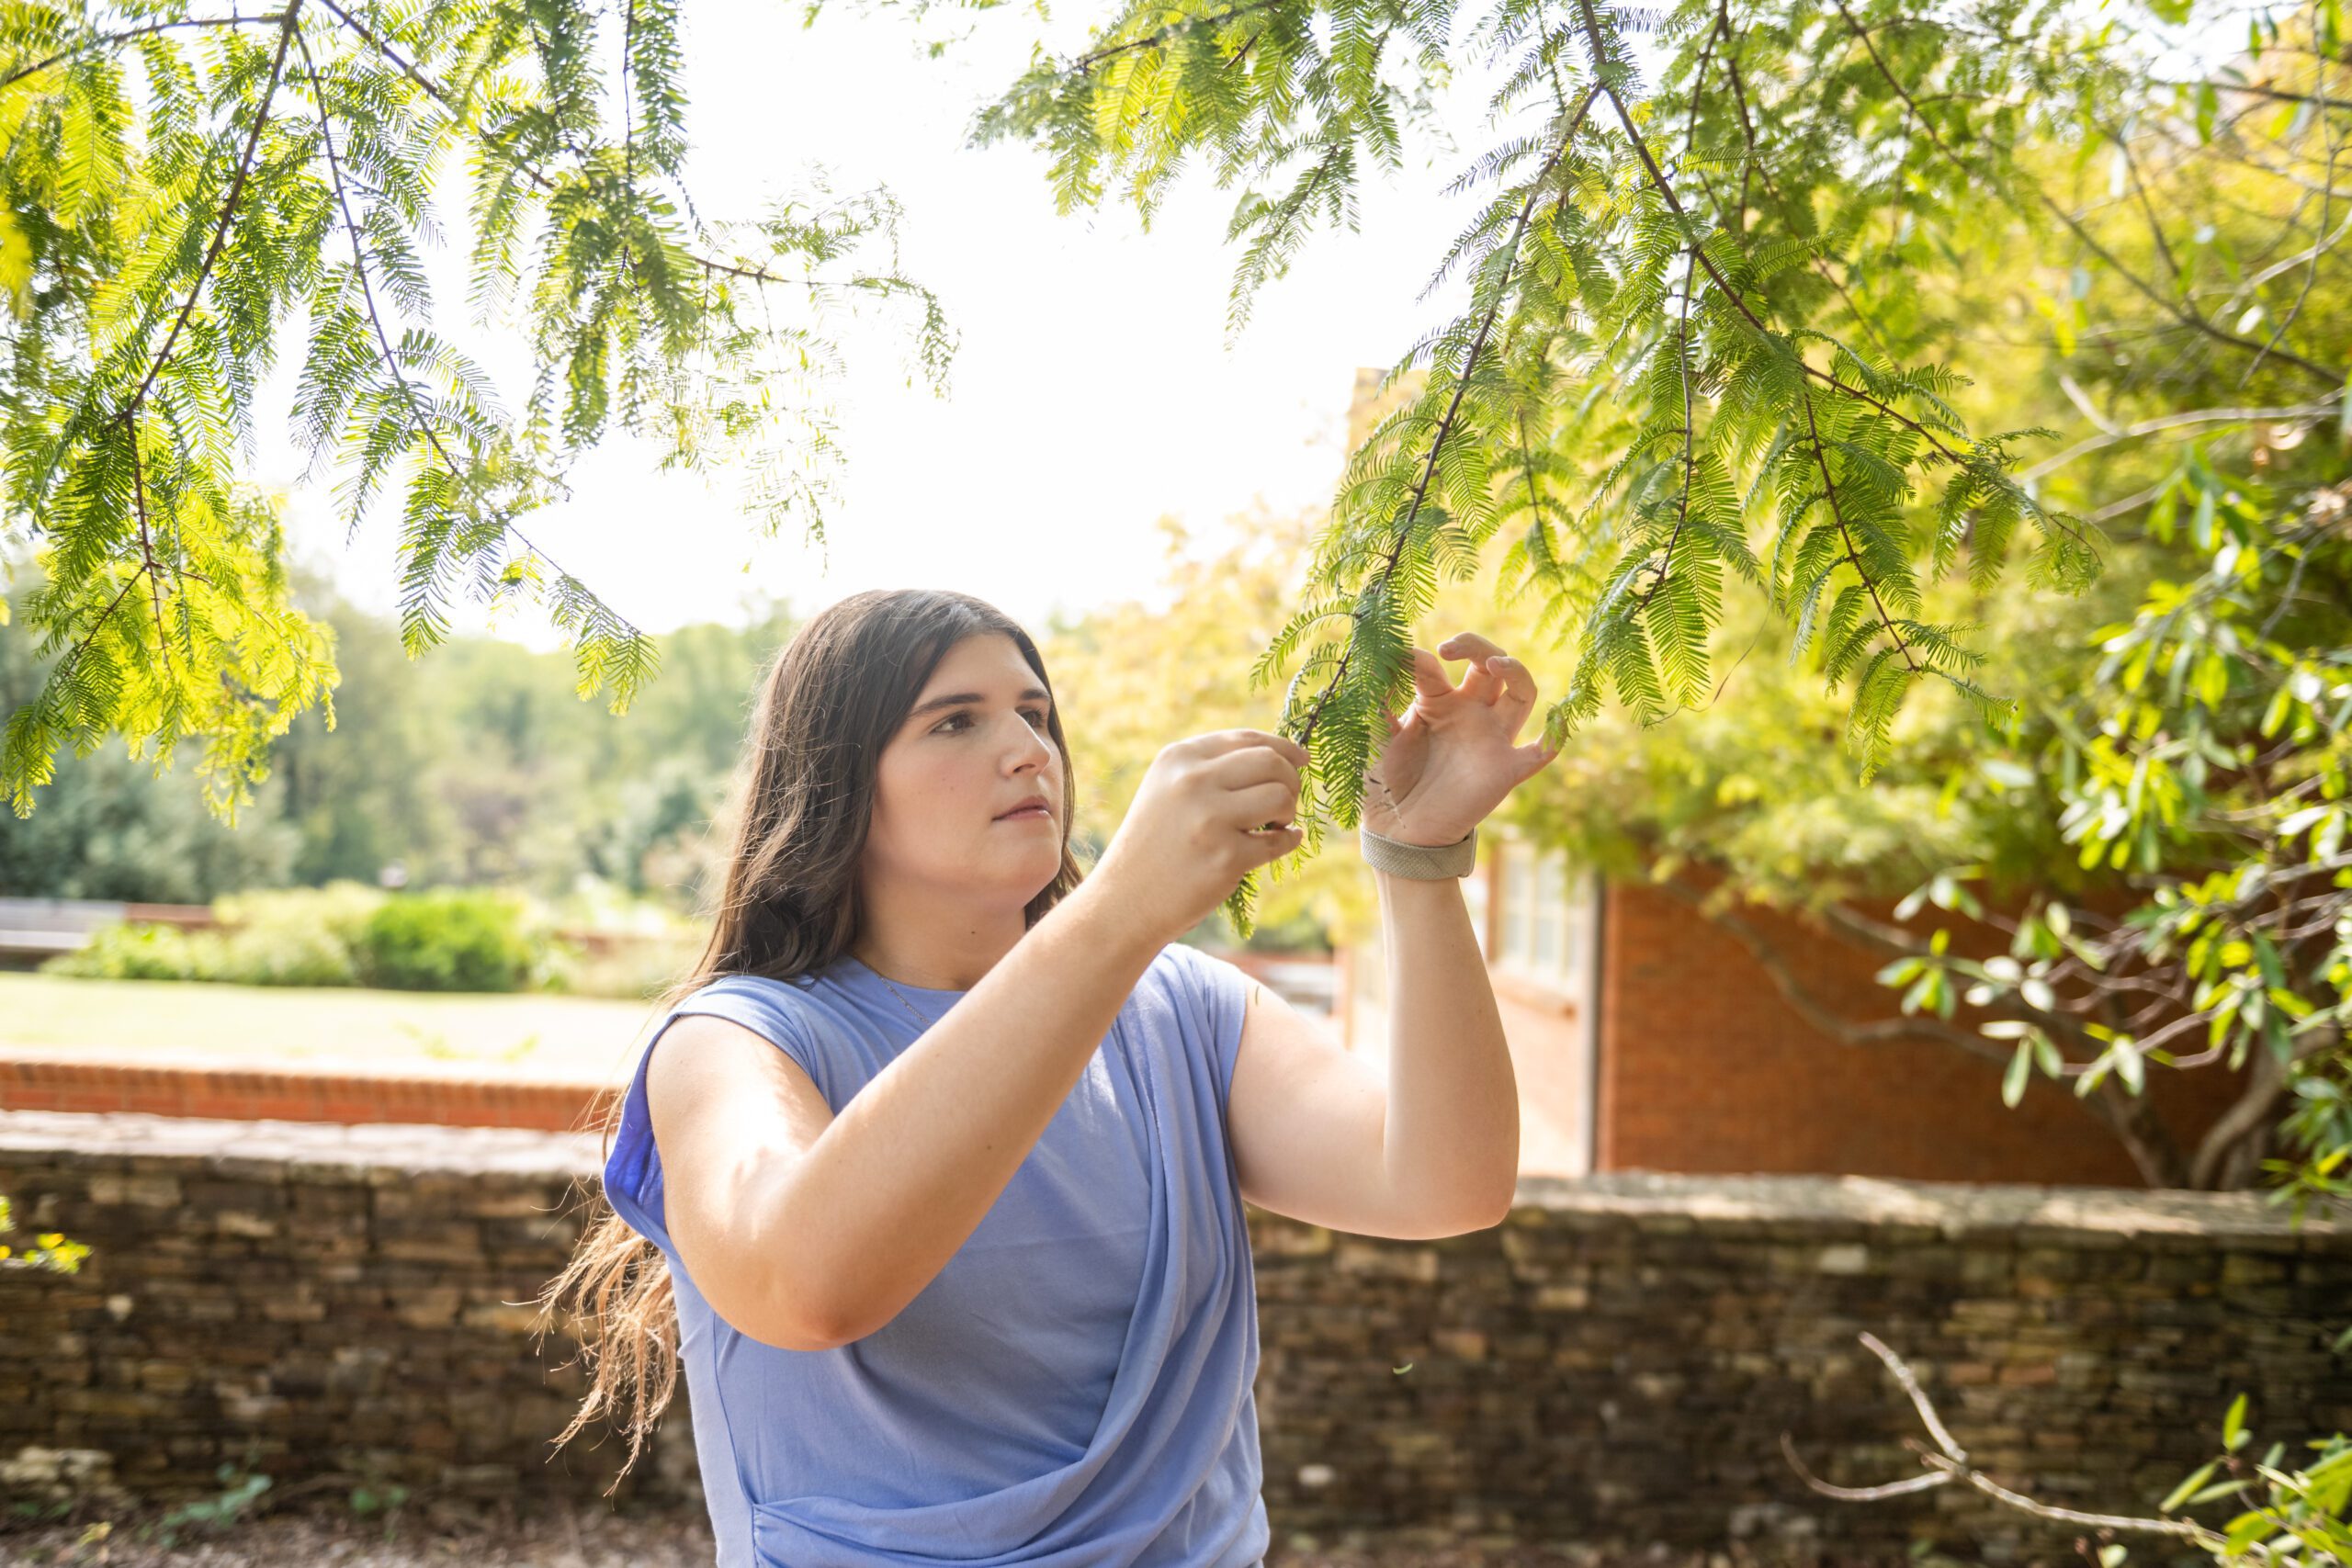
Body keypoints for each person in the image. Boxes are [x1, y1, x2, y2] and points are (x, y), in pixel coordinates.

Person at [538, 587, 1561, 1566]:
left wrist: (1416, 857)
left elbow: (1443, 1185)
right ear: (836, 779)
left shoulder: (1183, 1009)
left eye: (1034, 714)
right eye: (954, 723)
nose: (1027, 750)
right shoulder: (735, 1040)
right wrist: (1118, 909)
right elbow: (802, 1287)